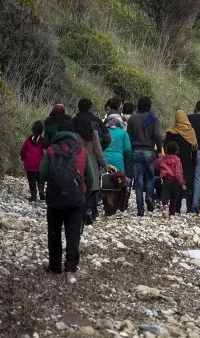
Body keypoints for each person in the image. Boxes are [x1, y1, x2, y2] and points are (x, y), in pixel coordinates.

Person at [39, 124, 94, 281]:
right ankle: (70, 267)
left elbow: (42, 174)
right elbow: (90, 178)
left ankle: (55, 266)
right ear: (73, 134)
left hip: (55, 199)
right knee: (73, 234)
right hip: (76, 200)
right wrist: (84, 193)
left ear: (58, 134)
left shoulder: (50, 151)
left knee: (54, 233)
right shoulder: (82, 151)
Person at [73, 98, 115, 225]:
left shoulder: (73, 122)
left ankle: (79, 211)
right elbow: (107, 138)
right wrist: (104, 163)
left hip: (77, 161)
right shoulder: (96, 122)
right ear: (90, 108)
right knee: (93, 186)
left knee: (79, 185)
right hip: (92, 160)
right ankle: (91, 211)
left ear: (79, 107)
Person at [127, 96, 163, 217]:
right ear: (149, 105)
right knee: (150, 176)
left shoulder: (132, 118)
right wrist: (159, 150)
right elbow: (157, 134)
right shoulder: (154, 118)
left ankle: (140, 208)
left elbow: (129, 136)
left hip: (136, 150)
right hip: (149, 151)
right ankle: (149, 195)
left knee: (138, 179)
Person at [164, 110, 197, 213]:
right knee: (186, 182)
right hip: (187, 161)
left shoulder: (171, 131)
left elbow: (165, 147)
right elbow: (194, 147)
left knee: (175, 182)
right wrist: (194, 162)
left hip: (173, 161)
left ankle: (176, 205)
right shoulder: (190, 131)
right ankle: (186, 200)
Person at [157, 141, 187, 218]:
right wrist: (182, 183)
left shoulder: (163, 158)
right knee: (174, 197)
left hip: (166, 180)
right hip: (175, 181)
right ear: (176, 150)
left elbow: (157, 165)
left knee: (165, 195)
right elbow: (178, 172)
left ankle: (165, 206)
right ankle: (172, 214)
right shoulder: (177, 160)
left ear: (167, 149)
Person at [20, 120, 45, 201]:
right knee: (40, 179)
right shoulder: (42, 140)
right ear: (42, 131)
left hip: (29, 164)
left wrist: (23, 158)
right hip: (40, 164)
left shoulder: (28, 140)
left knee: (31, 180)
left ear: (33, 130)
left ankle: (33, 196)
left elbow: (23, 151)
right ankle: (41, 194)